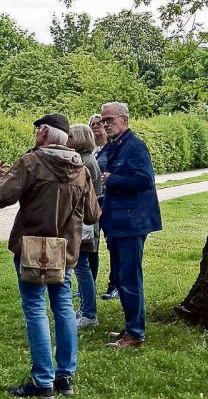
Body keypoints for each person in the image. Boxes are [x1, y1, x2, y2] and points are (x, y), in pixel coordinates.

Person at [0, 113, 100, 397]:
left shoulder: (31, 162)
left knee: (35, 308)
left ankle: (42, 380)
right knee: (63, 307)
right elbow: (94, 214)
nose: (35, 135)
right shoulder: (81, 169)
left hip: (31, 247)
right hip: (65, 249)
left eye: (38, 131)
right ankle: (65, 377)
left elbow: (0, 197)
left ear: (46, 133)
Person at [98, 102, 162, 349]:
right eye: (103, 121)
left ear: (124, 120)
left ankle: (135, 333)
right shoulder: (116, 146)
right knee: (120, 276)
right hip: (117, 222)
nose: (106, 125)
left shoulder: (135, 146)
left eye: (110, 120)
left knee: (130, 277)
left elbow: (145, 180)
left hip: (131, 224)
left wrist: (113, 179)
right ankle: (130, 326)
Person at [67, 124, 101, 328]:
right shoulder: (88, 159)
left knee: (81, 267)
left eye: (70, 135)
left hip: (83, 223)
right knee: (83, 266)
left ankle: (89, 313)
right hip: (88, 221)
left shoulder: (83, 162)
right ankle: (87, 309)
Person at [90, 113, 117, 301]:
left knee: (112, 244)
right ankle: (88, 285)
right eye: (92, 124)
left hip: (107, 202)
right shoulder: (92, 150)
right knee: (91, 244)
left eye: (99, 124)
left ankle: (114, 284)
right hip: (93, 203)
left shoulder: (112, 149)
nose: (95, 127)